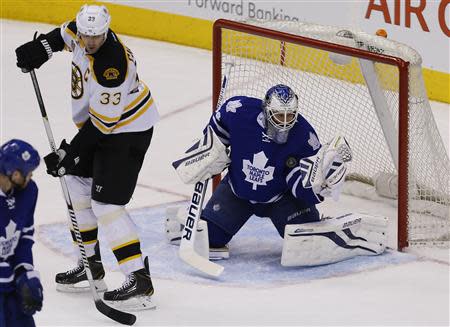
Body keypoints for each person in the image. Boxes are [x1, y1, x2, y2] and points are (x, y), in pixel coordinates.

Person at [15, 4, 159, 309]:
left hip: (127, 132)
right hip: (102, 127)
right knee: (76, 184)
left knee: (106, 204)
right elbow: (61, 35)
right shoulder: (79, 33)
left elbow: (102, 127)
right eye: (86, 35)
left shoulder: (112, 65)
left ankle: (139, 280)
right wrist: (40, 49)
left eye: (96, 36)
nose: (89, 41)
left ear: (105, 32)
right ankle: (90, 264)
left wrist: (69, 152)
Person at [170, 84, 387, 266]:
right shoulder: (238, 111)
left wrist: (319, 187)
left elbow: (299, 185)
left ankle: (352, 236)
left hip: (280, 199)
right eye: (279, 115)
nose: (284, 121)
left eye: (290, 115)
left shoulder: (305, 136)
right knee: (210, 240)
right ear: (266, 110)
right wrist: (211, 151)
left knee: (305, 242)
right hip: (238, 191)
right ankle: (195, 219)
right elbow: (217, 132)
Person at [0, 139, 43, 327]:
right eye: (28, 172)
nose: (31, 176)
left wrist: (24, 271)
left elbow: (24, 237)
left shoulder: (29, 192)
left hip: (9, 286)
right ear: (15, 174)